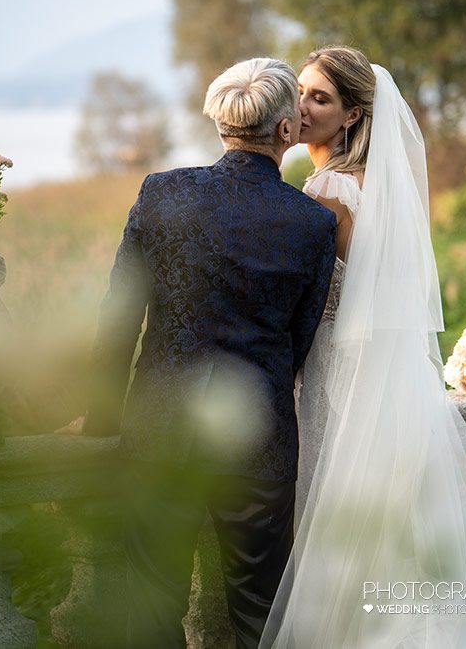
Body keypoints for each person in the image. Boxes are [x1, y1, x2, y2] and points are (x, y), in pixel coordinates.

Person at [260, 46, 466, 648]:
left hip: (340, 374)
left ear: (353, 116)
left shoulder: (327, 191)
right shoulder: (372, 186)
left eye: (319, 98)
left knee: (349, 523)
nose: (301, 106)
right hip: (383, 375)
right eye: (300, 91)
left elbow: (325, 300)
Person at [60, 57, 337, 647]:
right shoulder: (311, 222)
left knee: (154, 602)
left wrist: (103, 416)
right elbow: (301, 338)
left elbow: (119, 316)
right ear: (286, 130)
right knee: (263, 610)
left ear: (220, 124)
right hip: (259, 432)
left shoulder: (161, 193)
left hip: (159, 426)